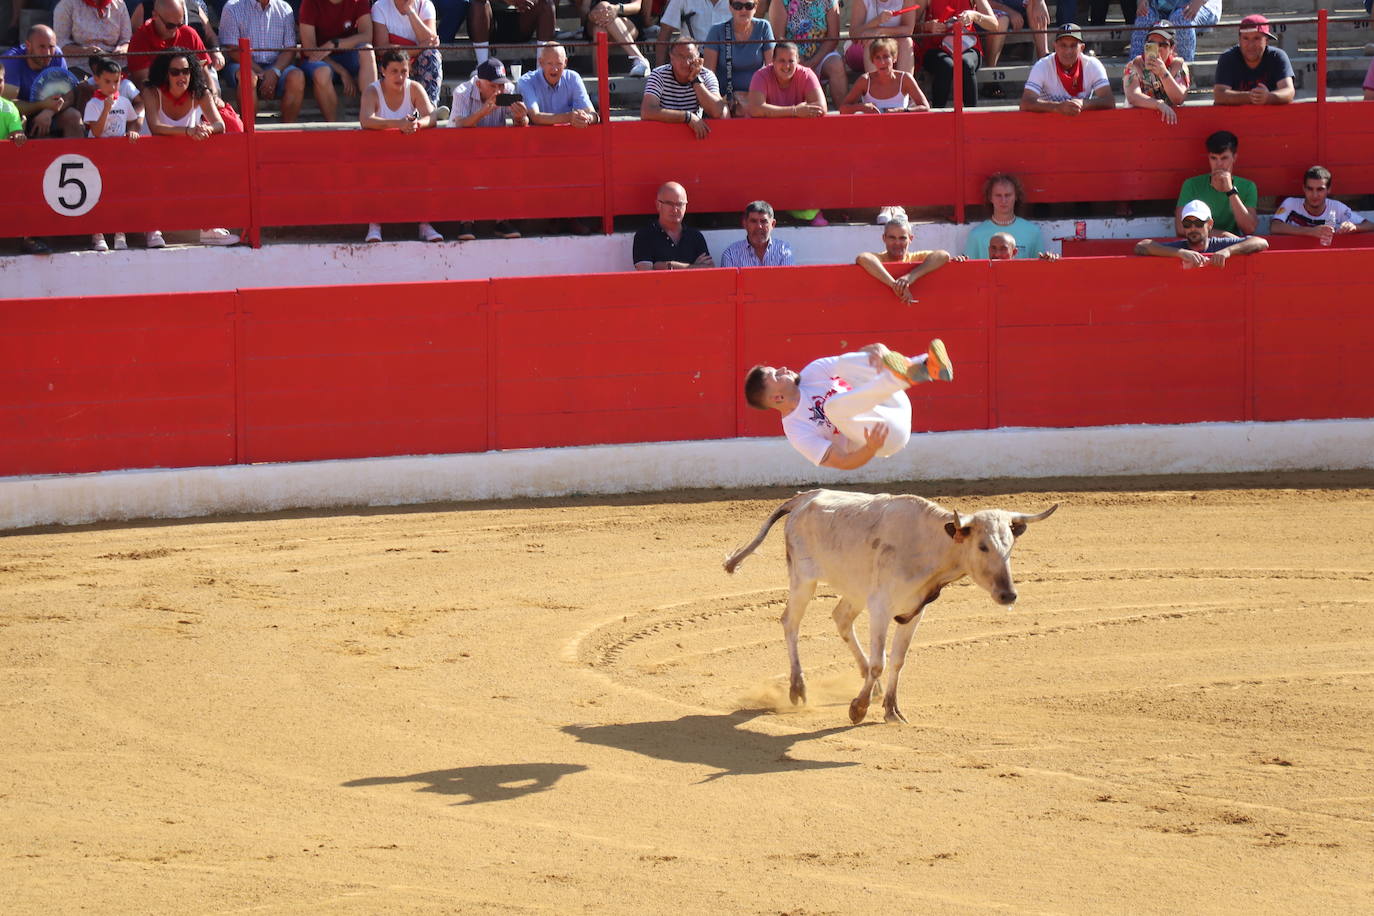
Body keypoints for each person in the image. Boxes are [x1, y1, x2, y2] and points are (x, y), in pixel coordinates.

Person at [742, 340, 954, 470]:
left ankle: (925, 366)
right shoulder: (797, 430)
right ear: (777, 399)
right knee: (832, 408)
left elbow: (858, 361)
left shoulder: (813, 371)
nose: (783, 368)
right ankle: (907, 373)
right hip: (883, 437)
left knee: (846, 363)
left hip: (893, 404)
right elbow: (842, 461)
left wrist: (878, 351)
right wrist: (871, 448)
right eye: (776, 375)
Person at [141, 50, 240, 247]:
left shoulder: (200, 92)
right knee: (153, 175)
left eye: (185, 71)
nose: (181, 77)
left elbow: (220, 125)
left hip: (185, 155)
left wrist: (206, 129)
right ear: (164, 74)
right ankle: (152, 228)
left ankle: (209, 228)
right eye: (175, 72)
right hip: (150, 155)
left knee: (211, 169)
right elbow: (155, 127)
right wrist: (189, 131)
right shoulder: (151, 91)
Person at [359, 48, 442, 243]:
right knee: (374, 175)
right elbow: (366, 120)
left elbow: (431, 117)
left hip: (411, 154)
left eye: (404, 71)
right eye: (394, 71)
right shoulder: (372, 90)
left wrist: (415, 124)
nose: (400, 76)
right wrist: (399, 124)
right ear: (383, 71)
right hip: (378, 155)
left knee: (425, 172)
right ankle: (375, 224)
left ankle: (424, 224)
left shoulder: (414, 88)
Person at [449, 57, 527, 241]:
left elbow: (521, 124)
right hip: (463, 148)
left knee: (505, 165)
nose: (499, 90)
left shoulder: (507, 90)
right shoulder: (462, 92)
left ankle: (502, 220)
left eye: (501, 85)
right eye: (493, 86)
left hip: (495, 148)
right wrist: (482, 112)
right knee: (467, 168)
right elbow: (458, 125)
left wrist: (520, 118)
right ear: (478, 83)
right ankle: (466, 221)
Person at [82, 56, 140, 252]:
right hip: (97, 157)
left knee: (118, 194)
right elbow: (96, 132)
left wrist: (132, 130)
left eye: (116, 81)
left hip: (118, 157)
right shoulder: (93, 104)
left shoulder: (124, 101)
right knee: (98, 195)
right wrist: (106, 109)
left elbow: (132, 119)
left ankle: (119, 232)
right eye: (107, 81)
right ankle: (97, 233)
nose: (112, 86)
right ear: (97, 79)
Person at [218, 0, 307, 122]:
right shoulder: (232, 7)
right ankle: (249, 132)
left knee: (297, 76)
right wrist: (263, 73)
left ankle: (286, 131)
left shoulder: (285, 8)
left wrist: (275, 71)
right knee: (247, 77)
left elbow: (289, 49)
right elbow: (232, 50)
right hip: (240, 64)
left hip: (276, 65)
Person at [0, 59, 53, 255]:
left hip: (5, 170)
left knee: (29, 188)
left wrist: (19, 135)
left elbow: (15, 134)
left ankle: (29, 237)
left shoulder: (9, 108)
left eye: (0, 80)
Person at [297, 0, 378, 121]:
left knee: (367, 50)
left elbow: (367, 36)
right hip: (321, 60)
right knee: (322, 73)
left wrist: (333, 44)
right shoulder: (310, 3)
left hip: (347, 56)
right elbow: (310, 50)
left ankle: (371, 116)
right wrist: (342, 72)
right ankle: (333, 127)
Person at [3, 24, 83, 139]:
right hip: (18, 116)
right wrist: (42, 105)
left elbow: (69, 95)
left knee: (73, 116)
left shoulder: (57, 55)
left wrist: (48, 112)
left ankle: (76, 156)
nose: (48, 53)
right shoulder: (11, 61)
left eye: (51, 46)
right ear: (28, 45)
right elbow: (8, 105)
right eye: (42, 47)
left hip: (49, 111)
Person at [856, 216, 958, 304]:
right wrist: (895, 285)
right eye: (892, 238)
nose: (897, 243)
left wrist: (910, 277)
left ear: (910, 238)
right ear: (884, 238)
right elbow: (863, 258)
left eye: (902, 238)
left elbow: (943, 255)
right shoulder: (880, 258)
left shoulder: (917, 257)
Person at [1135, 199, 1268, 267]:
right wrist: (1180, 253)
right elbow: (1142, 246)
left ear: (1209, 224)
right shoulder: (1179, 248)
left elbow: (1261, 242)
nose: (1192, 228)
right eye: (1187, 224)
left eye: (1198, 223)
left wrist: (1228, 251)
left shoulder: (1221, 245)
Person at [918, 0, 998, 109]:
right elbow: (910, 26)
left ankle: (971, 116)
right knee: (946, 65)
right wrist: (927, 26)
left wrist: (974, 15)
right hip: (936, 47)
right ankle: (937, 116)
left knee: (965, 63)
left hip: (967, 46)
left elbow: (994, 24)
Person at [1174, 129, 1255, 237]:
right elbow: (1180, 228)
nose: (1219, 164)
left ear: (1234, 157)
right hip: (1199, 243)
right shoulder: (1191, 184)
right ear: (1208, 158)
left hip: (1232, 246)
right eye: (1214, 158)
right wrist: (1223, 235)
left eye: (1224, 158)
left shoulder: (1248, 186)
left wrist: (1230, 191)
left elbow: (1249, 229)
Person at [642, 37, 726, 140]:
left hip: (695, 136)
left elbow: (719, 112)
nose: (686, 63)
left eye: (690, 57)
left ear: (698, 58)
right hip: (663, 136)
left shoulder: (706, 75)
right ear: (671, 57)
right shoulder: (658, 74)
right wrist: (687, 117)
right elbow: (647, 111)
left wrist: (695, 80)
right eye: (681, 57)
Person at [1020, 23, 1113, 115]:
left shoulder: (1092, 65)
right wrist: (1057, 107)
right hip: (1049, 125)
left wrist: (1083, 103)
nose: (1068, 51)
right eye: (1063, 45)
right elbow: (1025, 103)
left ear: (1082, 48)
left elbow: (1109, 101)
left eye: (1073, 46)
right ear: (1055, 46)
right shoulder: (1042, 66)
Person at [127, 0, 222, 88]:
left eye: (179, 25)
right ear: (155, 15)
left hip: (192, 93)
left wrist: (213, 95)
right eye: (170, 25)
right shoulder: (140, 38)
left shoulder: (188, 33)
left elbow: (205, 73)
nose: (176, 30)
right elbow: (144, 84)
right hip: (157, 98)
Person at [703, 0, 773, 116]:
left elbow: (771, 69)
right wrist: (721, 99)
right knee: (722, 114)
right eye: (737, 6)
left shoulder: (764, 27)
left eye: (749, 6)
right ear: (730, 7)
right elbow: (708, 75)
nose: (743, 10)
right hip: (724, 98)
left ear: (755, 8)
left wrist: (755, 98)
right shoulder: (716, 31)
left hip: (756, 98)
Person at [768, 0, 846, 105]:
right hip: (790, 57)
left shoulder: (830, 1)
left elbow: (833, 38)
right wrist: (797, 59)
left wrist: (813, 62)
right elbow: (779, 38)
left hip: (821, 54)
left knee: (836, 64)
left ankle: (844, 112)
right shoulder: (780, 2)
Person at [1269, 166, 1373, 244]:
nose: (1315, 195)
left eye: (1320, 189)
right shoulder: (1291, 203)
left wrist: (1354, 227)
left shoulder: (1337, 207)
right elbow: (1275, 227)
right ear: (1304, 188)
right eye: (1310, 189)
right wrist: (1311, 232)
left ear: (1329, 190)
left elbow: (1370, 225)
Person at [370, 0, 442, 106]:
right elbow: (382, 48)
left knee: (432, 55)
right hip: (393, 60)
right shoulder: (380, 6)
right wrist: (418, 48)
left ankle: (429, 108)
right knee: (389, 63)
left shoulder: (425, 5)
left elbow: (431, 41)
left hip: (418, 61)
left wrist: (410, 11)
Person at [1213, 14, 1294, 107]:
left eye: (1256, 38)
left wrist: (1269, 97)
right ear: (1239, 40)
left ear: (1266, 40)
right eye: (1246, 38)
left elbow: (1289, 92)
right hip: (1234, 118)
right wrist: (1252, 97)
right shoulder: (1227, 58)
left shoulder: (1277, 56)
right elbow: (1219, 95)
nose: (1251, 45)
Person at [632, 180, 713, 270]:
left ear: (686, 206)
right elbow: (646, 273)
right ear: (658, 205)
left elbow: (709, 269)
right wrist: (695, 267)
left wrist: (670, 265)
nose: (675, 210)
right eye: (669, 204)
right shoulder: (645, 236)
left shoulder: (695, 236)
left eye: (679, 204)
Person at [963, 173, 1045, 259]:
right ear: (990, 198)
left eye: (1008, 195)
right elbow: (968, 270)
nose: (1003, 200)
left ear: (1016, 196)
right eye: (998, 195)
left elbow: (1040, 268)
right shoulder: (976, 235)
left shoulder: (1032, 232)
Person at [839, 37, 928, 114]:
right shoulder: (865, 80)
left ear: (894, 58)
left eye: (886, 57)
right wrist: (862, 107)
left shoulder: (905, 79)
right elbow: (843, 109)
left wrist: (903, 111)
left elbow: (925, 107)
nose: (882, 62)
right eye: (877, 57)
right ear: (872, 60)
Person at [517, 42, 597, 127]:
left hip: (568, 137)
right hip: (536, 137)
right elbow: (536, 117)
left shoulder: (573, 78)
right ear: (541, 62)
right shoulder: (526, 81)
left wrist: (586, 118)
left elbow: (592, 114)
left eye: (559, 64)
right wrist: (570, 117)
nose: (554, 69)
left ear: (565, 62)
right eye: (550, 64)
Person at [1122, 20, 1187, 124]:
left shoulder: (1178, 65)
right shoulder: (1135, 65)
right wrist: (1158, 104)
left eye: (1163, 44)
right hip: (1139, 121)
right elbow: (1133, 96)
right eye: (1152, 43)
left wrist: (1163, 73)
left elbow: (1179, 98)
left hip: (1171, 121)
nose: (1158, 48)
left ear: (1172, 48)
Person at [467, 0, 556, 69]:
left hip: (520, 17)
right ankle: (482, 68)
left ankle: (542, 69)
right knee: (478, 3)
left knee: (546, 3)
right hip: (487, 22)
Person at [746, 40, 823, 117]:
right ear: (773, 61)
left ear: (798, 61)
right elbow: (755, 109)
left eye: (791, 61)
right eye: (782, 61)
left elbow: (821, 107)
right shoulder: (760, 76)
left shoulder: (807, 75)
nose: (786, 66)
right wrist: (795, 111)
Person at [53, 0, 131, 77]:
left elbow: (126, 40)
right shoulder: (67, 4)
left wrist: (122, 49)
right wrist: (85, 51)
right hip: (80, 66)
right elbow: (60, 43)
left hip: (115, 66)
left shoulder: (120, 5)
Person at [1129, 0, 1220, 63]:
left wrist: (1197, 2)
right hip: (1159, 6)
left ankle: (1183, 75)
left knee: (1181, 19)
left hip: (1201, 5)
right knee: (1145, 18)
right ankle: (1135, 76)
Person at [581, 0, 652, 78]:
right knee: (603, 7)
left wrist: (616, 9)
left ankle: (599, 78)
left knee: (600, 28)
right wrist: (590, 15)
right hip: (595, 19)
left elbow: (636, 6)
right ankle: (639, 59)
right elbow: (585, 8)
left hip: (626, 20)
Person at [844, 0, 917, 76]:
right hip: (861, 51)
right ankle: (875, 86)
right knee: (873, 41)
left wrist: (880, 31)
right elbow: (854, 34)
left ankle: (905, 86)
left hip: (894, 53)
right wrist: (876, 21)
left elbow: (908, 30)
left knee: (906, 41)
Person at [719, 200, 795, 267]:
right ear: (745, 224)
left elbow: (787, 282)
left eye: (763, 221)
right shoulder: (731, 255)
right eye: (753, 221)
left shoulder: (783, 251)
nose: (759, 226)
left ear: (772, 224)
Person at [656, 0, 730, 66]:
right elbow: (665, 33)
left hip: (730, 62)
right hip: (690, 64)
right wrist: (660, 73)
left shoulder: (737, 2)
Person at [986, 0, 1049, 67]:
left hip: (1022, 14)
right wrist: (1010, 12)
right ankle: (991, 69)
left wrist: (1040, 2)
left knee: (1035, 4)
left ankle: (1043, 58)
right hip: (993, 13)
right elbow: (983, 3)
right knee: (1002, 21)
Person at [986, 230, 1058, 259]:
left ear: (1014, 252)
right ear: (989, 250)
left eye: (1003, 248)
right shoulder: (981, 271)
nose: (997, 254)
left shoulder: (1024, 271)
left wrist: (1048, 262)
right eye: (993, 248)